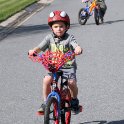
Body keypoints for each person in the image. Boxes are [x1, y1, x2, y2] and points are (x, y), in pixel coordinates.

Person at [28, 10, 83, 114]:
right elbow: (40, 47)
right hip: (53, 66)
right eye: (56, 26)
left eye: (62, 26)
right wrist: (33, 51)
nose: (59, 29)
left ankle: (74, 100)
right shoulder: (49, 38)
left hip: (68, 66)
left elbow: (75, 44)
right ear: (51, 28)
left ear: (67, 27)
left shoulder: (69, 38)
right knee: (46, 80)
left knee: (71, 82)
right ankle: (45, 103)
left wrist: (77, 48)